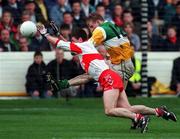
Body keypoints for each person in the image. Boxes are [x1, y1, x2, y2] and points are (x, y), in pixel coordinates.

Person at [37, 25, 177, 133]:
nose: (72, 44)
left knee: (109, 110)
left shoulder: (83, 47)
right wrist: (64, 83)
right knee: (127, 108)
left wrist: (45, 34)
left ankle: (139, 118)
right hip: (113, 77)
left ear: (79, 40)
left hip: (109, 79)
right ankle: (159, 111)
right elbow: (84, 74)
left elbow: (61, 44)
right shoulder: (85, 50)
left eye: (74, 41)